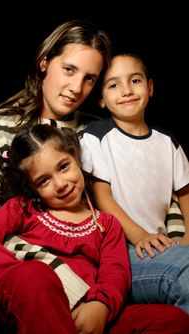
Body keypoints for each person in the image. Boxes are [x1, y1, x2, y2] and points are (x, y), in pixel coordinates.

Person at [0, 19, 112, 333]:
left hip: (98, 255)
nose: (76, 88)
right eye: (69, 69)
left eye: (89, 78)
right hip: (14, 260)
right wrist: (52, 269)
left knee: (183, 265)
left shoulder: (99, 133)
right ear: (44, 62)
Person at [0, 124, 189, 333]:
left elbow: (115, 271)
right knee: (35, 275)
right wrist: (18, 275)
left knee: (172, 319)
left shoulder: (106, 224)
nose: (61, 184)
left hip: (83, 314)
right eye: (44, 181)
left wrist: (101, 304)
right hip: (26, 311)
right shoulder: (25, 209)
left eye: (63, 167)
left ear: (76, 158)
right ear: (32, 188)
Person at [80, 53, 189, 315]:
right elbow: (102, 197)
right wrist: (140, 236)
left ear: (150, 88)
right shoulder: (95, 138)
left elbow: (185, 192)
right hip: (119, 250)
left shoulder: (167, 141)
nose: (127, 90)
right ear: (101, 100)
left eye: (135, 80)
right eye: (113, 85)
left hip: (160, 245)